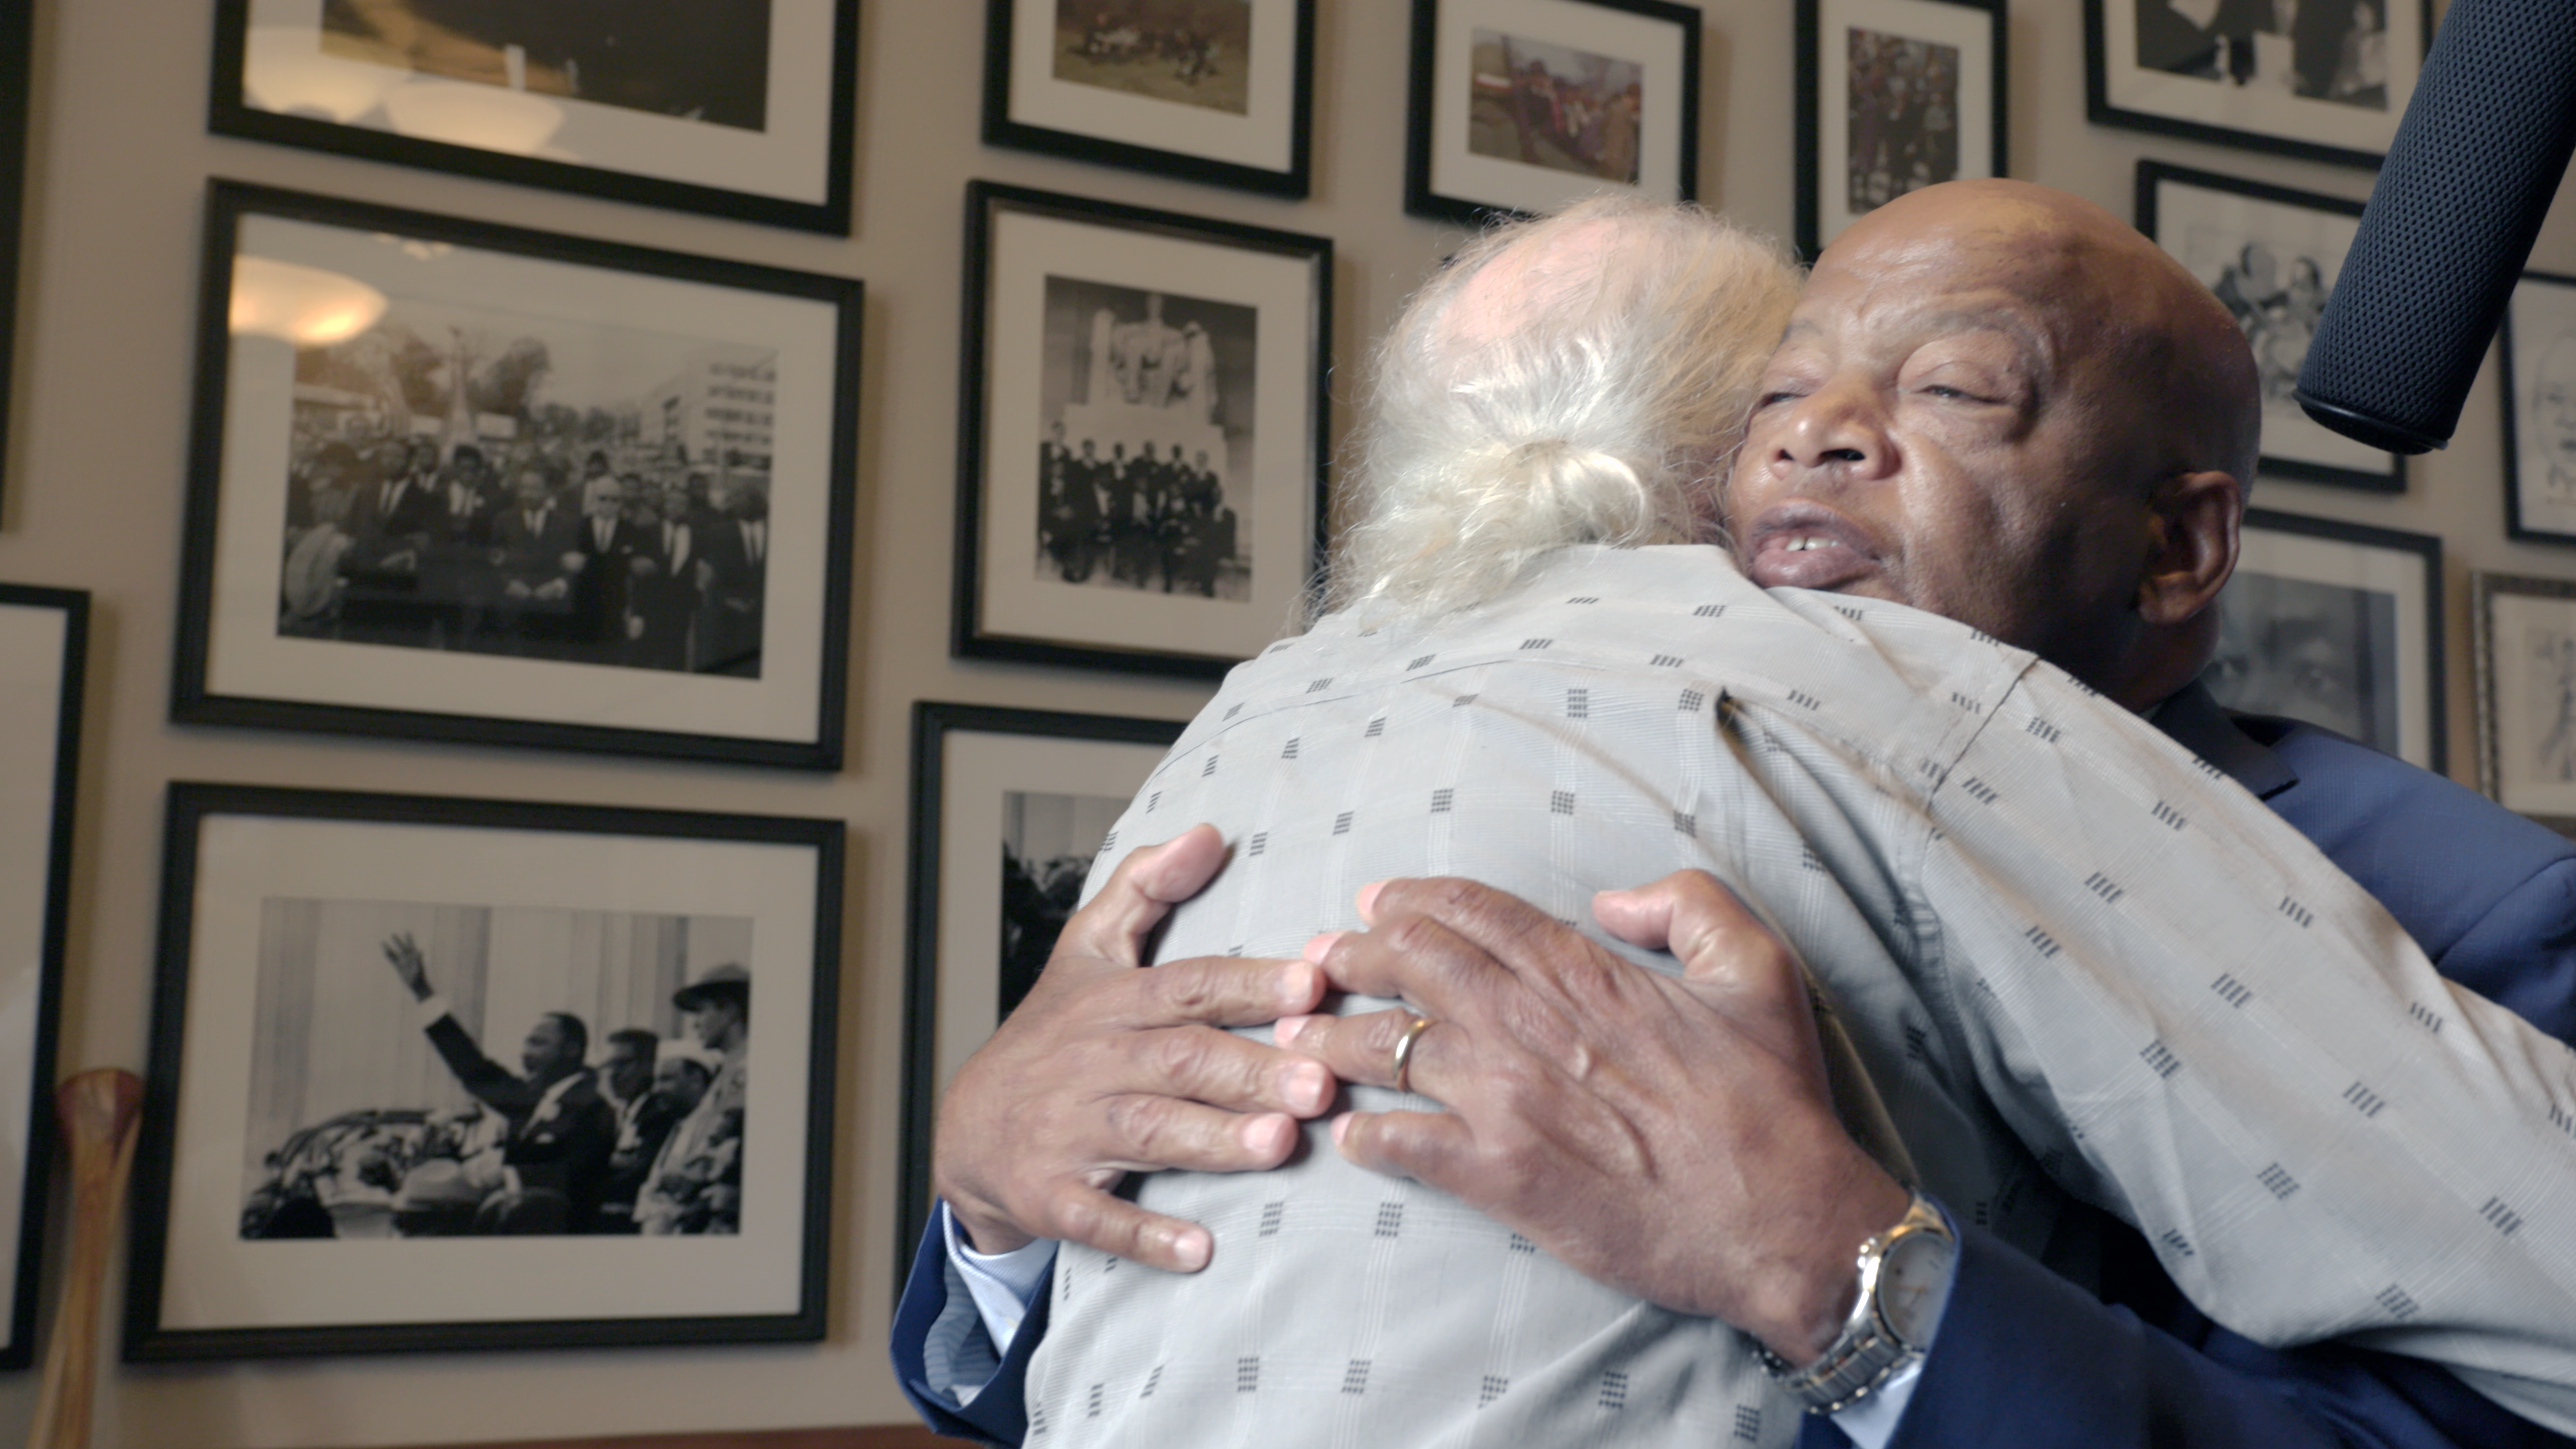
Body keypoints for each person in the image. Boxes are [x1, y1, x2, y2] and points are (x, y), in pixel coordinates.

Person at [897, 186, 2576, 1449]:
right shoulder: (1647, 756)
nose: (1820, 433)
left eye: (1954, 393)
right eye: (1777, 395)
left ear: (2174, 549)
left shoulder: (2476, 912)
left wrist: (1851, 1273)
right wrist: (988, 1205)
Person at [380, 933, 616, 1234]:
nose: (525, 1053)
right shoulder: (531, 1097)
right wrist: (422, 992)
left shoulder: (594, 1104)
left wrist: (507, 1176)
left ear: (571, 1050)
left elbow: (582, 1173)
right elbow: (471, 1067)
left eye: (538, 1044)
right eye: (526, 1044)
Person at [637, 964, 749, 1236]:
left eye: (701, 1011)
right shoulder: (730, 1071)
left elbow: (728, 1142)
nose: (695, 1023)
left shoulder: (748, 1069)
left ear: (730, 1010)